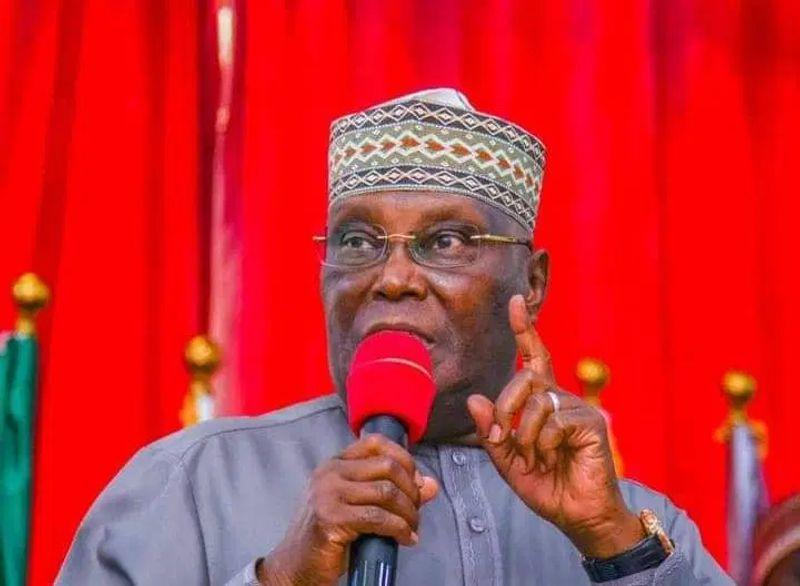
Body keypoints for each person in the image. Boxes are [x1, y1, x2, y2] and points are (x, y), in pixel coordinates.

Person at [58, 88, 732, 585]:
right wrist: (281, 578)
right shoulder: (194, 486)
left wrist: (614, 547)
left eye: (446, 241)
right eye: (358, 240)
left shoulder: (642, 527)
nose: (393, 277)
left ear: (533, 279)